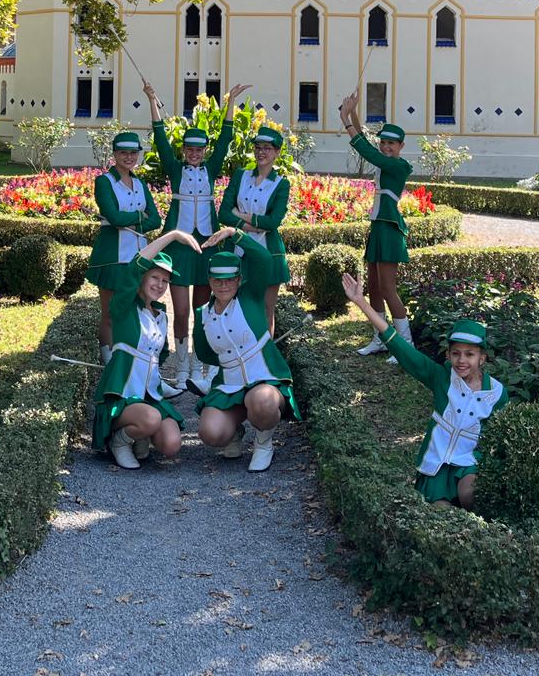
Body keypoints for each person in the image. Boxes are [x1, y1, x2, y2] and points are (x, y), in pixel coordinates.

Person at [340, 272, 506, 508]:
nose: (462, 360)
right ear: (448, 355)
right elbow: (398, 345)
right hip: (437, 463)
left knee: (471, 493)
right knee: (442, 516)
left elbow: (500, 438)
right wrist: (361, 302)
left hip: (470, 462)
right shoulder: (440, 377)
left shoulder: (497, 393)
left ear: (482, 358)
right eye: (456, 353)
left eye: (470, 354)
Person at [145, 80, 247, 396]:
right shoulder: (175, 169)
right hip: (178, 245)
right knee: (181, 309)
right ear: (184, 151)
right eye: (189, 149)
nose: (193, 153)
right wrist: (152, 100)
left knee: (204, 309)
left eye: (198, 149)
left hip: (206, 245)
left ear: (204, 151)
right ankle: (181, 360)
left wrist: (230, 102)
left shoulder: (211, 168)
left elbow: (227, 138)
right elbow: (160, 138)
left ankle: (204, 363)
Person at [91, 229, 203, 469]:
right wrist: (172, 236)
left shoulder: (161, 316)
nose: (160, 285)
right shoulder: (124, 306)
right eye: (154, 277)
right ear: (142, 277)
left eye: (165, 281)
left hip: (149, 396)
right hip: (122, 395)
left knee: (172, 444)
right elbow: (134, 266)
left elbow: (159, 356)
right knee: (151, 419)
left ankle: (140, 434)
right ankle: (119, 440)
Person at [192, 230, 300, 472]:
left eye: (230, 279)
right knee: (210, 433)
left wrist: (235, 234)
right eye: (217, 280)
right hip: (230, 383)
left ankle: (263, 442)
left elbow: (264, 259)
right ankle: (235, 432)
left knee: (262, 401)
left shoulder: (250, 296)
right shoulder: (202, 315)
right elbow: (205, 353)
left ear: (239, 280)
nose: (223, 285)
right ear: (209, 281)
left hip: (263, 376)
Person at [338, 93, 414, 362]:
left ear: (401, 146)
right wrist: (355, 113)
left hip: (390, 229)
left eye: (391, 143)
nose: (385, 147)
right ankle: (381, 339)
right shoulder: (386, 159)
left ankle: (405, 345)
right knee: (373, 287)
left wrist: (345, 120)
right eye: (383, 142)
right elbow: (369, 144)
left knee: (389, 288)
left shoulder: (398, 165)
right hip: (378, 228)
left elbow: (366, 150)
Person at [214, 121, 290, 375]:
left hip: (268, 253)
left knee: (266, 309)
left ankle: (260, 364)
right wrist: (253, 224)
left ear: (277, 152)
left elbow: (272, 222)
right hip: (238, 253)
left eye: (268, 148)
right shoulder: (240, 176)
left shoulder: (281, 184)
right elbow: (224, 212)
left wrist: (240, 218)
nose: (261, 152)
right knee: (230, 305)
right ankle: (227, 365)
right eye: (258, 147)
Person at [87, 130, 162, 361]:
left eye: (133, 153)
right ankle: (110, 364)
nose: (129, 157)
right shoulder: (104, 182)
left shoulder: (140, 183)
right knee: (110, 314)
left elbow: (156, 219)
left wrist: (128, 218)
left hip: (140, 256)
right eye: (123, 153)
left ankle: (135, 360)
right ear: (115, 154)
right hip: (113, 257)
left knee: (137, 311)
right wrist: (140, 216)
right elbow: (114, 218)